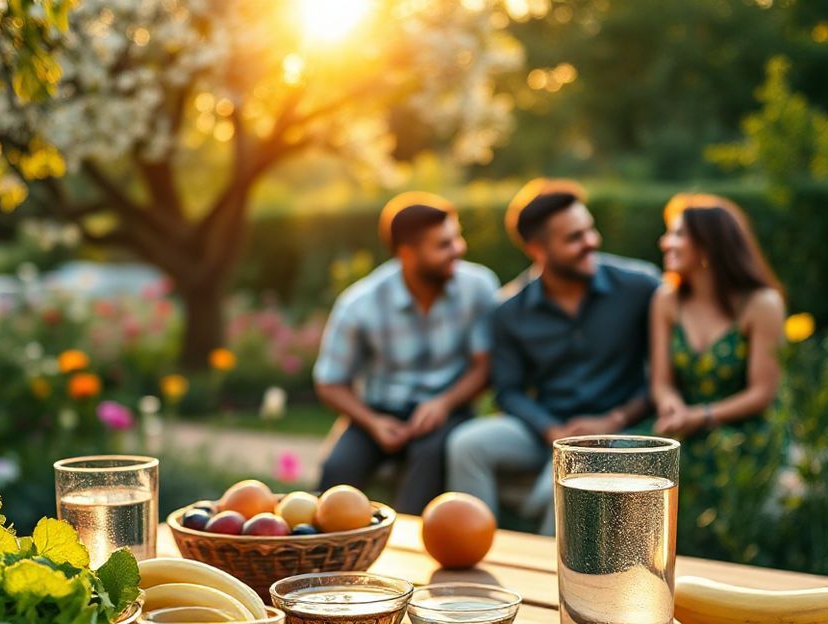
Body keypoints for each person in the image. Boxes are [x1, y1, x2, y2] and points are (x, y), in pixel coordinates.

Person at [447, 179, 660, 534]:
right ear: (537, 249)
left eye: (589, 230)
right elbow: (509, 391)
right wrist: (550, 430)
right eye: (574, 238)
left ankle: (548, 577)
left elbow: (662, 376)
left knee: (557, 488)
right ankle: (475, 547)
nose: (590, 242)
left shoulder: (639, 287)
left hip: (620, 427)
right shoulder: (509, 310)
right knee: (465, 443)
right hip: (547, 428)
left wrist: (614, 418)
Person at [313, 193, 500, 514]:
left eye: (457, 238)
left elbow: (485, 366)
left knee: (427, 468)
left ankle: (404, 552)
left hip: (448, 412)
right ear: (407, 253)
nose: (458, 249)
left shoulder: (478, 286)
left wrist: (444, 403)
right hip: (376, 413)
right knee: (336, 473)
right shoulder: (360, 304)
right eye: (443, 244)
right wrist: (373, 422)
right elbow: (329, 382)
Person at [646, 193, 786, 459]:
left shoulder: (762, 304)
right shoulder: (666, 300)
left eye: (677, 235)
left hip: (744, 434)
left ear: (708, 245)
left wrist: (701, 416)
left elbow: (762, 393)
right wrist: (670, 403)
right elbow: (661, 382)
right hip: (681, 429)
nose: (665, 243)